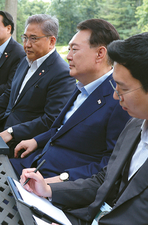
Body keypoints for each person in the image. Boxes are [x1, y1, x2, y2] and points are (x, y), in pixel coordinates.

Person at [20, 31, 148, 225]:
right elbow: (106, 179)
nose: (115, 96)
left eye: (122, 88)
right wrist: (49, 189)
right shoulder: (137, 123)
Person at [10, 19, 131, 182]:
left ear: (100, 54)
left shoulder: (118, 99)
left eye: (74, 50)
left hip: (57, 183)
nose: (68, 57)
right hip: (35, 163)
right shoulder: (81, 86)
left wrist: (59, 180)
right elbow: (63, 129)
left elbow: (110, 165)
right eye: (69, 50)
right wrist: (35, 140)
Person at [0, 14, 75, 155]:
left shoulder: (62, 73)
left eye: (34, 38)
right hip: (1, 127)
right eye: (25, 38)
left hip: (23, 144)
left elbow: (51, 120)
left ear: (51, 41)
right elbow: (9, 93)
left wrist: (12, 132)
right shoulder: (25, 60)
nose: (27, 44)